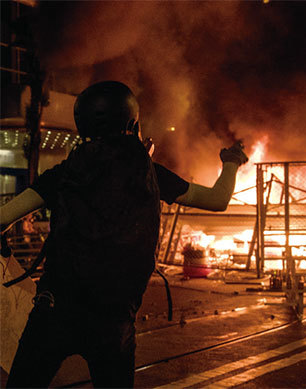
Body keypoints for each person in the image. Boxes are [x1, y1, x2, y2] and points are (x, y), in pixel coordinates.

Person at [0, 80, 248, 388]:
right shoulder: (150, 174)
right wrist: (231, 163)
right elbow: (217, 200)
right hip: (112, 318)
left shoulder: (63, 173)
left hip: (54, 311)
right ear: (132, 121)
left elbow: (2, 219)